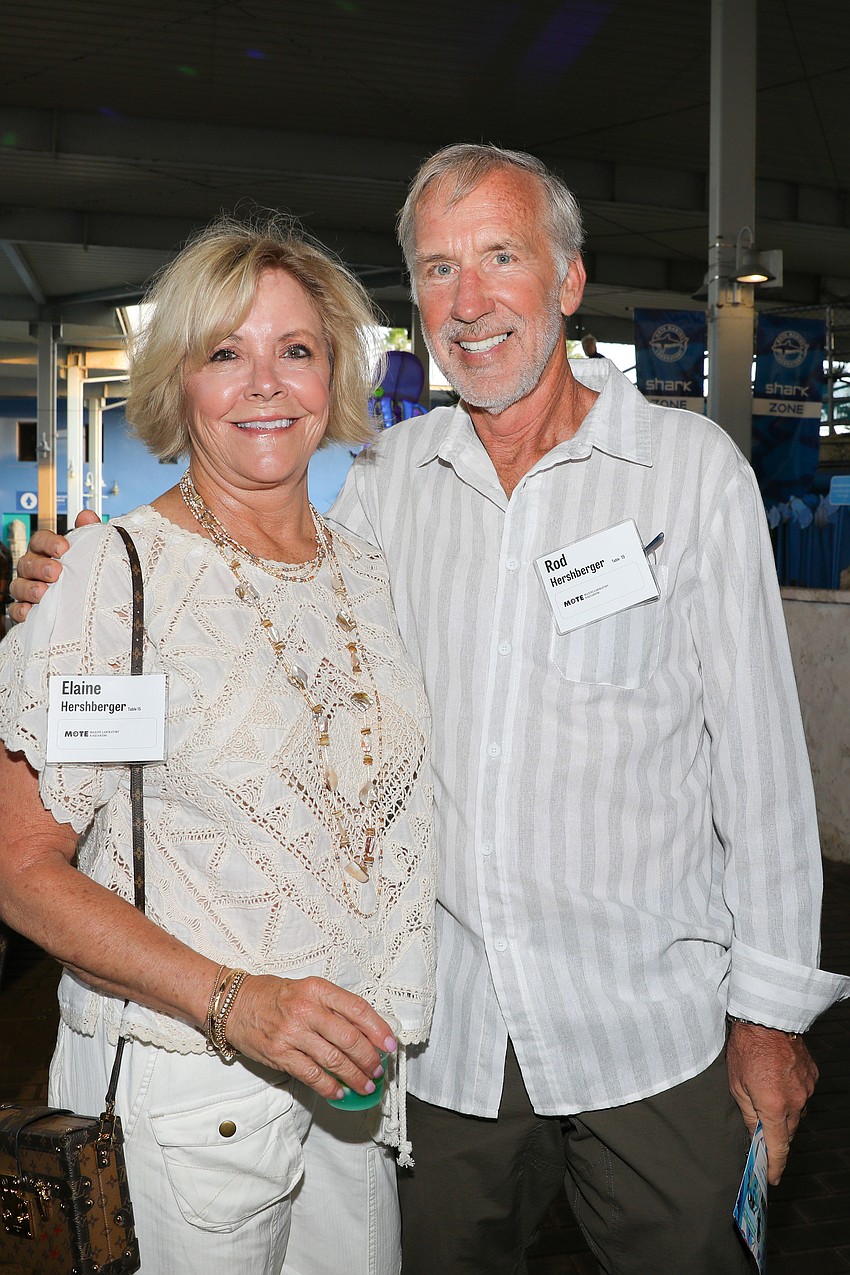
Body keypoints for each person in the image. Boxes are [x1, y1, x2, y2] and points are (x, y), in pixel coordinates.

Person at [12, 145, 850, 1274]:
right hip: (433, 1046)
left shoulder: (685, 476)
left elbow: (760, 771)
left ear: (566, 280)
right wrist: (77, 583)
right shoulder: (385, 487)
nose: (469, 301)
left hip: (648, 1029)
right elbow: (37, 847)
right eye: (439, 268)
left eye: (501, 258)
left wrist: (771, 1015)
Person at [0, 217, 435, 1275]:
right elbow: (19, 870)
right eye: (224, 353)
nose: (265, 384)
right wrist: (235, 1001)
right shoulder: (112, 580)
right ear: (178, 382)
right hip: (188, 1096)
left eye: (295, 350)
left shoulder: (368, 574)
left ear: (334, 375)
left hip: (351, 1085)